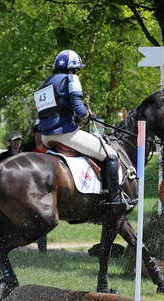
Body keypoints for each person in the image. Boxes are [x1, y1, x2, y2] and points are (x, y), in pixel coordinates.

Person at [34, 49, 136, 213]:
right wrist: (88, 114)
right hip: (65, 134)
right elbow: (78, 108)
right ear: (74, 68)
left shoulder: (45, 83)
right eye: (77, 69)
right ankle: (116, 200)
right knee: (111, 155)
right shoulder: (71, 79)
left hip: (46, 136)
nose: (77, 72)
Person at [22, 125, 49, 253]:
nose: (40, 136)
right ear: (34, 134)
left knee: (42, 218)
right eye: (38, 133)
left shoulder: (50, 149)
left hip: (45, 189)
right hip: (29, 187)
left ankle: (42, 249)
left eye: (42, 133)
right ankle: (23, 245)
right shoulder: (27, 148)